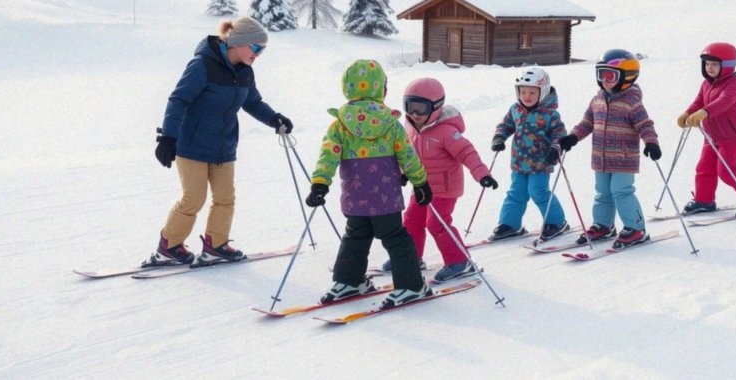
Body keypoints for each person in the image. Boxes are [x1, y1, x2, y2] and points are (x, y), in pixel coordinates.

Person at [148, 16, 293, 267]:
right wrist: (168, 138)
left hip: (224, 146)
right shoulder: (203, 65)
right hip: (191, 144)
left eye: (263, 49)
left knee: (225, 198)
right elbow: (178, 100)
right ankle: (168, 247)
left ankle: (216, 246)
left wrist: (274, 118)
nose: (259, 54)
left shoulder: (245, 72)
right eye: (256, 47)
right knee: (193, 199)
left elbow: (253, 102)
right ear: (238, 42)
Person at [305, 59, 433, 308]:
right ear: (380, 89)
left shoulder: (339, 124)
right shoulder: (391, 123)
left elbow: (328, 155)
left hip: (355, 197)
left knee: (355, 236)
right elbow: (407, 155)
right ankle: (411, 285)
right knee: (395, 237)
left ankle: (348, 281)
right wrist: (420, 181)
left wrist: (320, 184)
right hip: (386, 198)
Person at [381, 78, 498, 282]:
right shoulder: (409, 127)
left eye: (421, 109)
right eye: (410, 107)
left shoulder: (446, 131)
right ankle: (411, 257)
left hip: (444, 188)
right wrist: (402, 172)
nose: (415, 114)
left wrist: (482, 174)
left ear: (435, 107)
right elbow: (406, 153)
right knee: (411, 221)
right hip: (421, 186)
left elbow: (467, 152)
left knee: (437, 224)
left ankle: (460, 261)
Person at [557, 49, 661, 248]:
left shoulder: (632, 102)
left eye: (610, 75)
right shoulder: (597, 99)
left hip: (624, 158)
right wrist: (572, 137)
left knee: (621, 191)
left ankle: (636, 228)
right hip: (600, 158)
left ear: (627, 76)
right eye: (601, 74)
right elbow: (587, 123)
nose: (605, 80)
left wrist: (651, 143)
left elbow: (645, 125)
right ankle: (603, 225)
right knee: (602, 192)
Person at [677, 42, 736, 216]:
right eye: (707, 64)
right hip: (711, 135)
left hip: (730, 136)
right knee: (704, 168)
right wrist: (688, 113)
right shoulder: (707, 83)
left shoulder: (734, 84)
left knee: (726, 171)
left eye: (714, 64)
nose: (710, 68)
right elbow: (699, 101)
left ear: (726, 66)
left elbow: (724, 102)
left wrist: (704, 112)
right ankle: (704, 200)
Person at [488, 66, 569, 242]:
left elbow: (560, 134)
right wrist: (499, 138)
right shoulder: (515, 109)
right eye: (522, 92)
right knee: (516, 192)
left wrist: (556, 148)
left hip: (541, 163)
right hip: (519, 163)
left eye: (532, 93)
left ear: (543, 91)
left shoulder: (550, 114)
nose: (526, 96)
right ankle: (510, 224)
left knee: (538, 191)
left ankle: (556, 221)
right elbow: (505, 125)